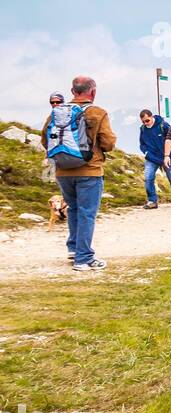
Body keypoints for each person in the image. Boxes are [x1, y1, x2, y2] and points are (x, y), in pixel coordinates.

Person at [40, 76, 116, 271]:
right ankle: (83, 258)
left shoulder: (57, 112)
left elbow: (45, 140)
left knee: (73, 208)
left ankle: (74, 248)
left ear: (72, 91)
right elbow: (108, 143)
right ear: (93, 92)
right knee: (87, 213)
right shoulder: (98, 113)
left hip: (63, 172)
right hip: (89, 171)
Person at [139, 108, 171, 208]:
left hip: (166, 157)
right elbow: (142, 144)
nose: (146, 123)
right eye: (143, 121)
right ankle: (152, 201)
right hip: (151, 158)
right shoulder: (143, 129)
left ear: (152, 117)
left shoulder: (163, 126)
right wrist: (146, 153)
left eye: (147, 120)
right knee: (148, 178)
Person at [40, 92, 64, 183]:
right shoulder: (51, 117)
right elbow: (44, 132)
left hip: (59, 149)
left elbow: (44, 133)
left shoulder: (52, 118)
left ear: (62, 102)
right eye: (52, 102)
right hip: (54, 149)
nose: (55, 104)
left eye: (58, 102)